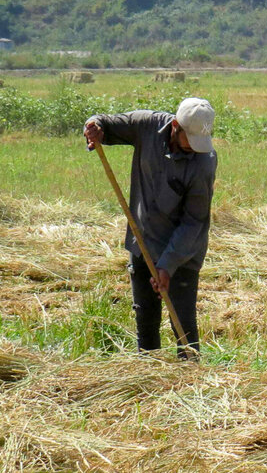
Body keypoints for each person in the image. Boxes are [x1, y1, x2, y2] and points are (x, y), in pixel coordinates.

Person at [83, 97, 217, 359]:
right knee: (145, 323)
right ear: (176, 126)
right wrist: (94, 127)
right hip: (143, 239)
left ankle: (191, 383)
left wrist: (167, 265)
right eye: (190, 140)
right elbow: (107, 124)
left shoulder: (204, 161)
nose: (194, 149)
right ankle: (148, 381)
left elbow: (194, 221)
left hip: (183, 251)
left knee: (184, 328)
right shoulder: (148, 125)